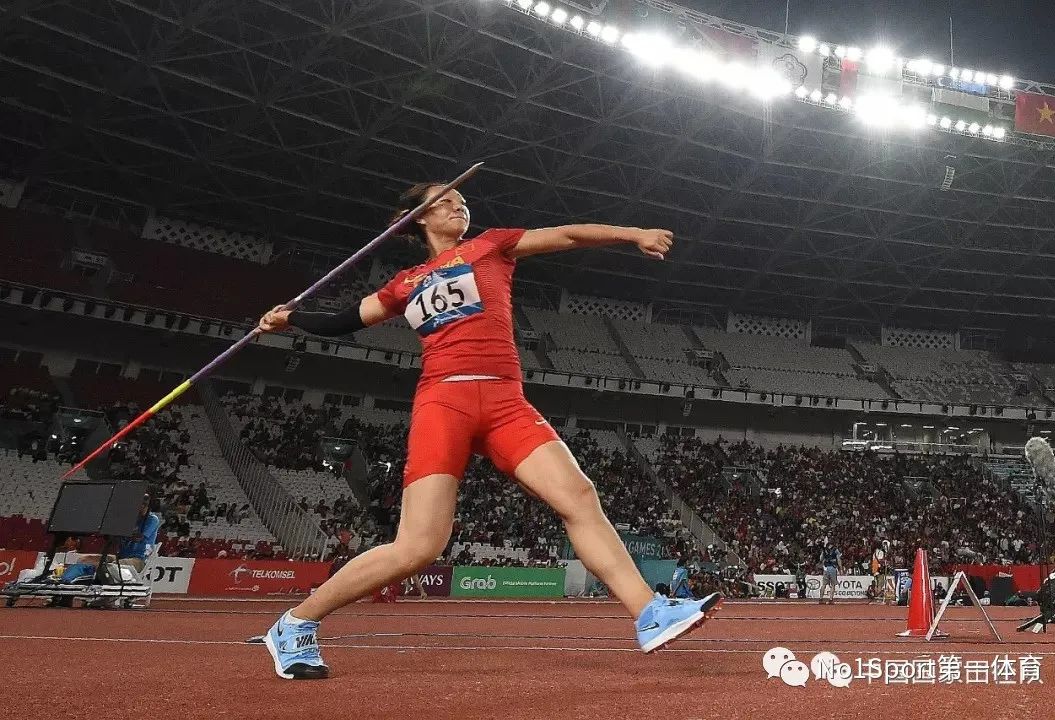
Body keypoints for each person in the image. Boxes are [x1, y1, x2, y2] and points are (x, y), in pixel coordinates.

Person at [257, 181, 719, 679]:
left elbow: (566, 236)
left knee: (579, 496)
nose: (460, 204)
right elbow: (346, 319)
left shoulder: (491, 245)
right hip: (443, 402)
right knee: (418, 547)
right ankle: (296, 623)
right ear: (416, 218)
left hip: (505, 400)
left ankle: (649, 613)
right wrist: (293, 320)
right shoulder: (403, 284)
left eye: (462, 200)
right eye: (445, 201)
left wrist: (632, 234)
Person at [819, 541, 842, 605]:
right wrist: (840, 568)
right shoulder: (835, 550)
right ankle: (830, 599)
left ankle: (820, 599)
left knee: (824, 584)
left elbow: (820, 559)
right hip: (833, 568)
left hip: (826, 568)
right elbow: (839, 559)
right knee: (833, 585)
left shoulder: (824, 550)